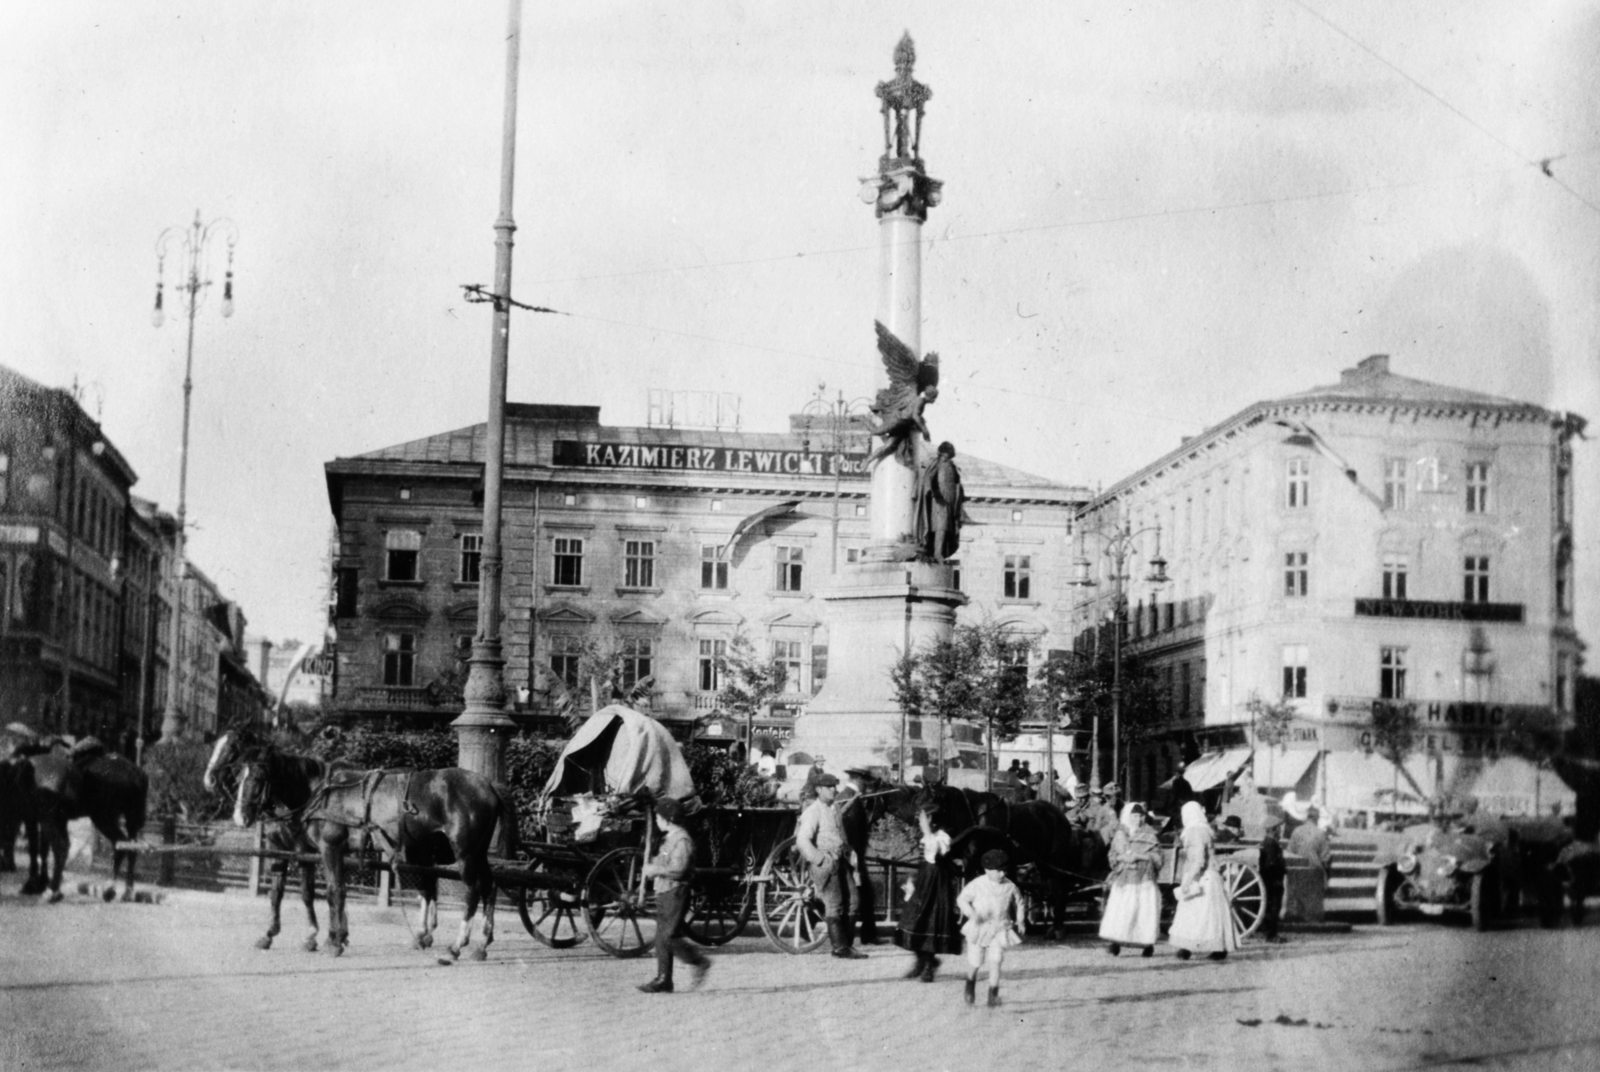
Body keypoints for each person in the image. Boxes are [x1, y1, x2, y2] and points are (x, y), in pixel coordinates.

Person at [637, 797, 710, 993]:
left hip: (676, 891)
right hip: (665, 891)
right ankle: (664, 979)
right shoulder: (669, 838)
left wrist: (655, 869)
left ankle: (698, 962)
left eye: (658, 817)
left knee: (669, 936)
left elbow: (678, 869)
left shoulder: (682, 840)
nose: (657, 820)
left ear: (668, 819)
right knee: (662, 937)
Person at [794, 773, 866, 959]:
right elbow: (802, 841)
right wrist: (820, 860)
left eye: (835, 786)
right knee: (835, 905)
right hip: (826, 863)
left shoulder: (835, 809)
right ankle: (840, 948)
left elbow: (842, 836)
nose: (834, 789)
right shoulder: (812, 812)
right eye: (829, 787)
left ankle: (847, 945)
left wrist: (851, 855)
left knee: (854, 902)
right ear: (819, 790)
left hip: (841, 860)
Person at [894, 805, 962, 981]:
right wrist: (912, 880)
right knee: (913, 919)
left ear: (933, 819)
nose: (921, 821)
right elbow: (921, 860)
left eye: (924, 818)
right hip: (924, 880)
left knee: (931, 921)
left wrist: (926, 830)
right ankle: (921, 961)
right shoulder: (925, 836)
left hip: (937, 883)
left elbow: (934, 856)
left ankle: (929, 965)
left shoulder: (942, 837)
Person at [1167, 800, 1238, 961]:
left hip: (1201, 877)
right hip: (1211, 876)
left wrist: (1187, 881)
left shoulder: (1194, 831)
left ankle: (1188, 948)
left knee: (1194, 915)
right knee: (1208, 916)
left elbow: (1198, 860)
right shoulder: (1204, 829)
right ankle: (1215, 948)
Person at [956, 848, 1025, 1007]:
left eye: (1004, 871)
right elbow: (962, 900)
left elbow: (1019, 902)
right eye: (998, 871)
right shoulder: (978, 884)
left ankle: (993, 995)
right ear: (987, 870)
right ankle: (970, 985)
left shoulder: (1010, 886)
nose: (1002, 874)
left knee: (996, 960)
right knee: (976, 961)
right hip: (980, 928)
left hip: (1000, 928)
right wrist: (972, 914)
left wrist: (1020, 920)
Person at [1098, 802, 1162, 957]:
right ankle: (1115, 943)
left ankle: (1147, 944)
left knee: (1143, 911)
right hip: (1124, 878)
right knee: (1121, 911)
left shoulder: (1150, 835)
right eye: (1134, 816)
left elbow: (1158, 859)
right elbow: (1112, 856)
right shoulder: (1120, 834)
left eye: (1141, 816)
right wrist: (1122, 858)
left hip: (1144, 878)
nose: (1138, 819)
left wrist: (1139, 856)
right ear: (1128, 816)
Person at [1257, 816, 1288, 943]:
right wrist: (1281, 872)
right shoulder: (1271, 844)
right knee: (1274, 907)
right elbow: (1272, 863)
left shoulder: (1268, 842)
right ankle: (1271, 934)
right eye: (1279, 828)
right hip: (1273, 880)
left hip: (1268, 879)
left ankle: (1269, 933)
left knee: (1270, 907)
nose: (1281, 831)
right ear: (1274, 829)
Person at [1288, 804, 1332, 891]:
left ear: (1307, 817)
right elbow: (1325, 858)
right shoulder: (1320, 833)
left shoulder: (1296, 831)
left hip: (1297, 872)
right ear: (1316, 818)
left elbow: (1290, 852)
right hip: (1315, 872)